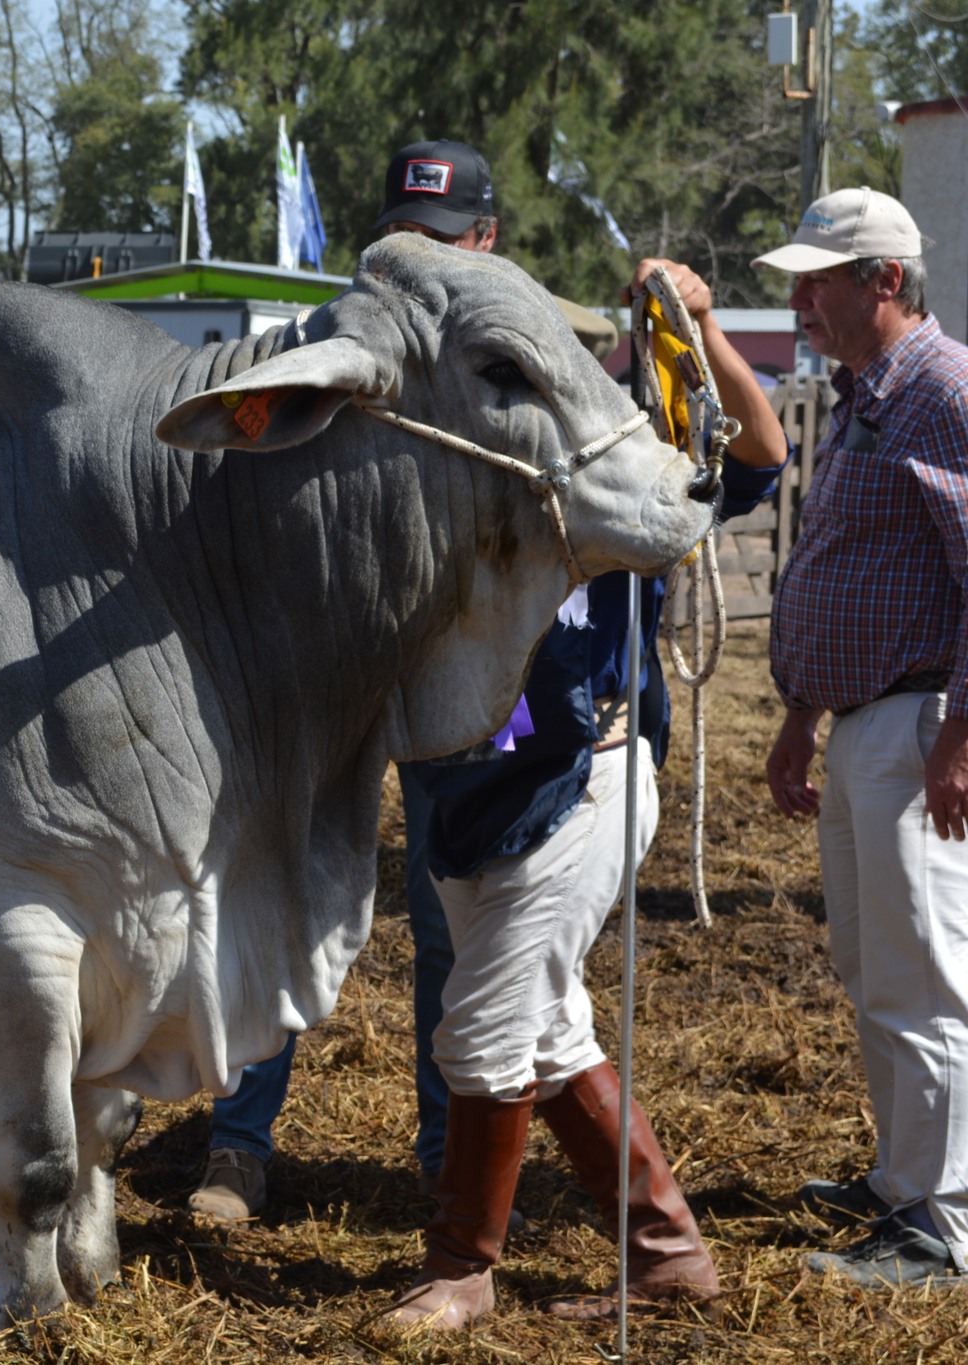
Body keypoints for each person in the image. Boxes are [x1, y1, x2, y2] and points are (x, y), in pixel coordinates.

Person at [191, 139, 608, 1222]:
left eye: (440, 239)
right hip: (319, 677)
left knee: (449, 916)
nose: (419, 257)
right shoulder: (336, 338)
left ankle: (442, 1154)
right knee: (271, 895)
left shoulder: (507, 359)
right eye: (402, 238)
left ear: (486, 243)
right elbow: (245, 458)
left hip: (454, 681)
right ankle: (235, 1147)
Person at [372, 242, 786, 1327]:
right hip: (468, 782)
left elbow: (754, 461)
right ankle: (664, 1253)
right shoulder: (428, 448)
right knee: (547, 1032)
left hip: (584, 772)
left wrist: (701, 334)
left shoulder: (624, 441)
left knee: (480, 1028)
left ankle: (461, 1266)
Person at [762, 186, 968, 1290]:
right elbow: (845, 560)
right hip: (865, 720)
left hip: (919, 717)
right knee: (871, 962)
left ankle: (941, 1221)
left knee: (921, 972)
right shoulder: (866, 395)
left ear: (881, 280)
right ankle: (903, 1183)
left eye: (816, 281)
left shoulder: (939, 389)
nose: (799, 302)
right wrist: (798, 711)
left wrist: (958, 739)